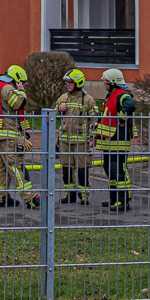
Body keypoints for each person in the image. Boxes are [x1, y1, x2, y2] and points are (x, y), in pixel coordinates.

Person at [0, 64, 39, 209]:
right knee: (15, 165)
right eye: (21, 82)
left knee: (1, 166)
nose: (22, 85)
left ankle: (2, 197)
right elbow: (18, 104)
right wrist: (21, 91)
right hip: (7, 135)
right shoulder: (7, 88)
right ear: (16, 80)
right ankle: (29, 197)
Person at [93, 68, 137, 212]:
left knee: (118, 170)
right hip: (109, 141)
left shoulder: (122, 95)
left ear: (113, 82)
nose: (104, 83)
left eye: (105, 81)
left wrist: (122, 118)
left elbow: (130, 105)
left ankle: (123, 201)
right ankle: (114, 198)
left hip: (119, 140)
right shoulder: (110, 95)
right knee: (110, 169)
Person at [54, 69, 97, 204]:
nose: (68, 84)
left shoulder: (88, 100)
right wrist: (59, 109)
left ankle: (84, 195)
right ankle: (69, 194)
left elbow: (94, 120)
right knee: (66, 167)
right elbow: (52, 114)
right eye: (67, 82)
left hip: (81, 142)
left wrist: (92, 138)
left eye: (70, 82)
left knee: (82, 168)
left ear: (78, 83)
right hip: (65, 141)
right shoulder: (63, 98)